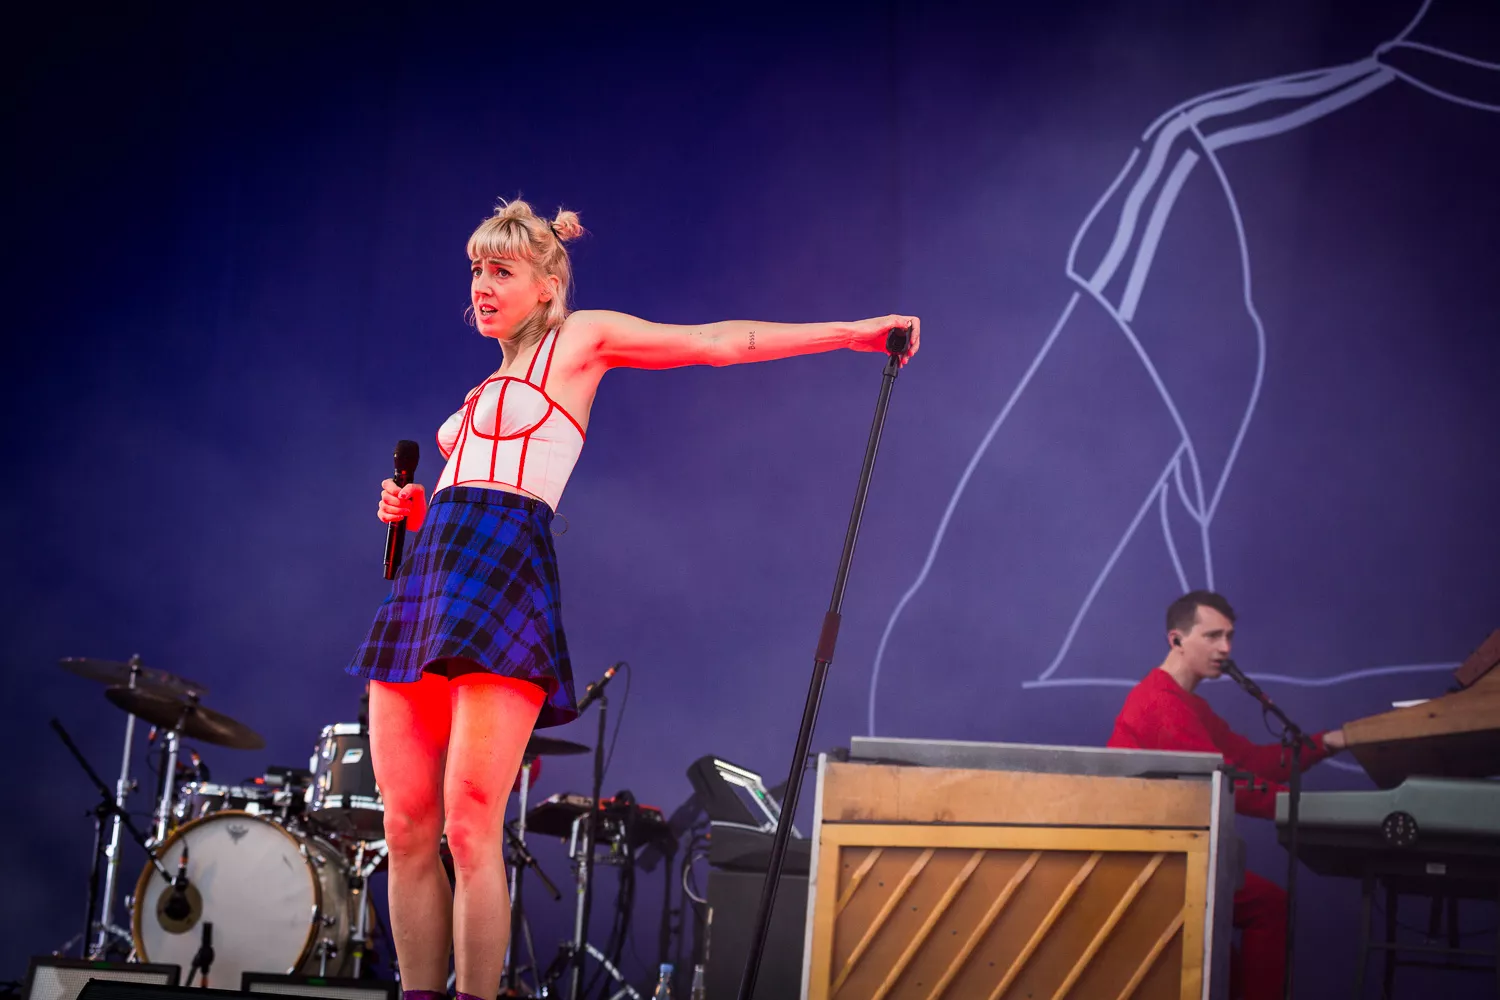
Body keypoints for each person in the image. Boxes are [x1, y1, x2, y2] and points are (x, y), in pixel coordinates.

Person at [346, 198, 920, 1000]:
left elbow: (715, 343)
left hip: (500, 576)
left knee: (469, 821)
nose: (481, 286)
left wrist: (854, 333)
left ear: (548, 285)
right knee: (406, 825)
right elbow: (464, 487)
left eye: (501, 271)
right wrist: (413, 510)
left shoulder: (580, 340)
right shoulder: (482, 389)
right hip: (431, 582)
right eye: (476, 270)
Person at [1106, 590, 1349, 1000]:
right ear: (1176, 640)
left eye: (1229, 636)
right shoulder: (1160, 705)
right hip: (1149, 862)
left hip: (1171, 856)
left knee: (1230, 960)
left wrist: (1330, 742)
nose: (1226, 649)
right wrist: (1305, 808)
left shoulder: (1187, 704)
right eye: (1213, 636)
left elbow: (1253, 762)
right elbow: (1227, 781)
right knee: (1268, 907)